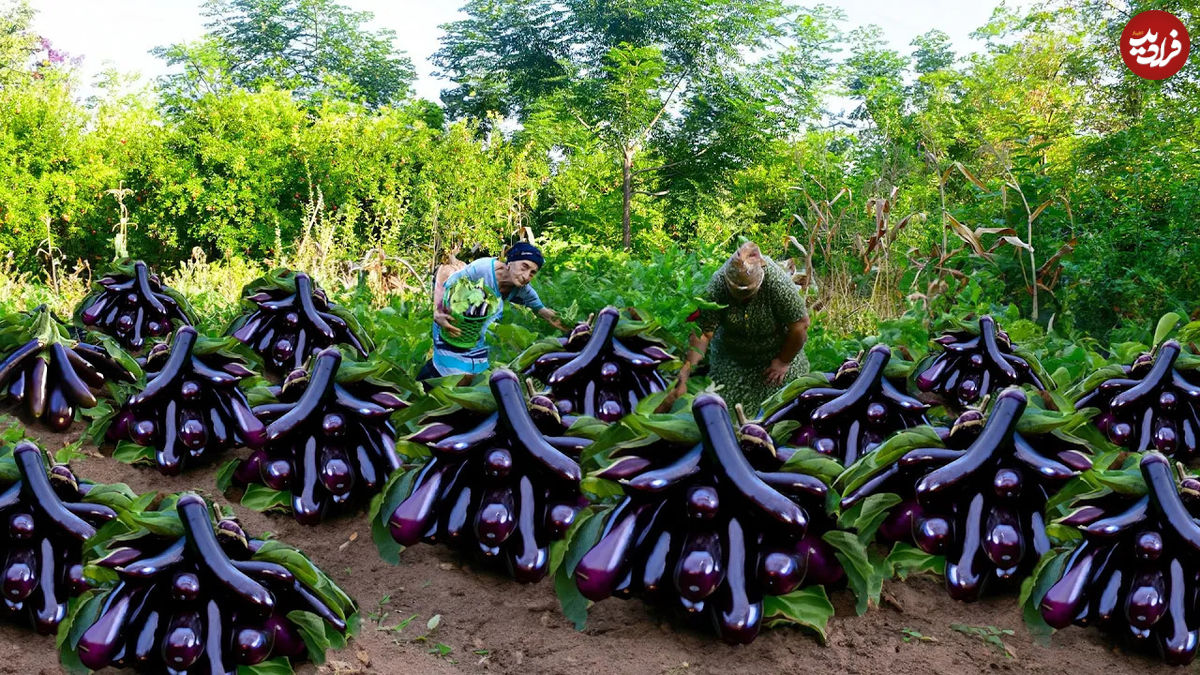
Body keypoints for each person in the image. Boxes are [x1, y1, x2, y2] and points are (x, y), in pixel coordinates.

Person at [666, 241, 810, 412]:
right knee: (724, 412)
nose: (741, 298)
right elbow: (704, 333)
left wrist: (783, 361)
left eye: (747, 293)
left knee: (780, 411)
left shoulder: (776, 283)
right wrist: (686, 371)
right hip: (732, 358)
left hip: (777, 354)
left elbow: (800, 325)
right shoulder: (718, 285)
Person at [417, 241, 566, 385]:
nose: (526, 276)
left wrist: (576, 330)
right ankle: (414, 397)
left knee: (466, 380)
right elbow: (447, 275)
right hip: (450, 323)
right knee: (445, 374)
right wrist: (438, 311)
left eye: (532, 273)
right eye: (524, 266)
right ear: (510, 262)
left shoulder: (524, 291)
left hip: (474, 338)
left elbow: (545, 313)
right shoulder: (483, 269)